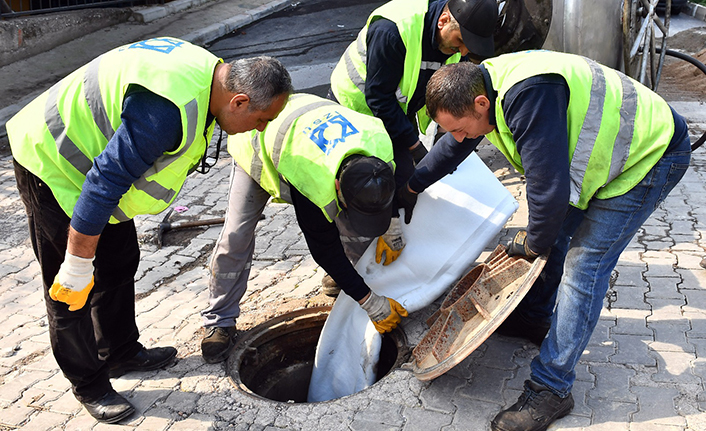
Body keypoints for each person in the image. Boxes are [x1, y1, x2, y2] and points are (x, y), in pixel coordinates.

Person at [397, 51, 691, 431]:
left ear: (480, 103)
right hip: (610, 157)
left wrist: (535, 243)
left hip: (649, 155)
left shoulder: (528, 95)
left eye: (459, 127)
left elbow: (547, 190)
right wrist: (410, 186)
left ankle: (552, 387)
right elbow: (455, 147)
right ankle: (535, 317)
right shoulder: (483, 89)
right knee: (552, 232)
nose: (458, 136)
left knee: (583, 267)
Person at [6, 37, 292, 424]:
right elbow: (105, 181)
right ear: (238, 101)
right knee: (70, 291)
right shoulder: (166, 110)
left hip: (94, 168)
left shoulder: (210, 77)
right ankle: (90, 384)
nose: (259, 130)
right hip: (53, 161)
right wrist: (76, 262)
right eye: (260, 120)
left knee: (119, 261)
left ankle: (120, 352)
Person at [200, 93, 408, 363]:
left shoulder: (380, 145)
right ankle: (219, 321)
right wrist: (369, 301)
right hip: (256, 145)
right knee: (237, 235)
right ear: (336, 187)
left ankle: (343, 281)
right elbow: (323, 248)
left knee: (355, 228)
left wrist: (391, 224)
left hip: (306, 130)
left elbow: (387, 185)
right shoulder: (311, 177)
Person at [323, 0, 498, 293]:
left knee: (403, 182)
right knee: (362, 192)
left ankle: (397, 259)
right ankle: (345, 272)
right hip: (353, 113)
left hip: (395, 112)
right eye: (460, 42)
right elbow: (379, 99)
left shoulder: (452, 42)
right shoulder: (392, 29)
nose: (464, 51)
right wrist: (414, 145)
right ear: (444, 20)